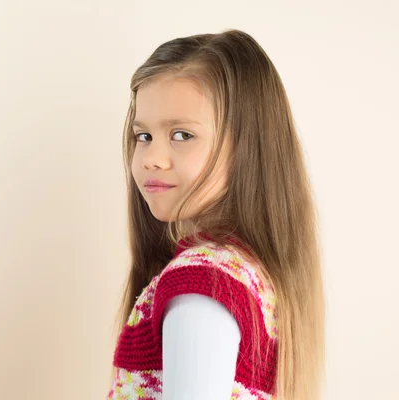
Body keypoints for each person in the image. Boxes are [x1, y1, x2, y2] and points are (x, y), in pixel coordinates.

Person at [106, 29, 325, 400]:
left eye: (181, 135)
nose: (151, 159)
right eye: (143, 136)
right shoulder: (243, 273)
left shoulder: (203, 284)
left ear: (246, 147)